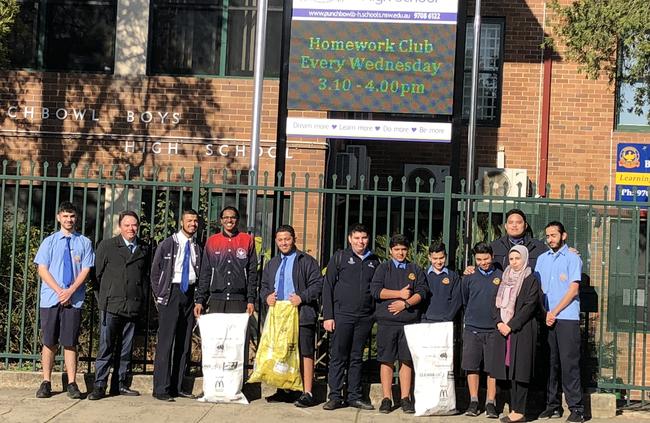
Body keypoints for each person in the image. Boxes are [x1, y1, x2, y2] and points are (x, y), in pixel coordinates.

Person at [34, 202, 95, 399]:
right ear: (59, 217)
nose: (69, 220)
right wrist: (60, 290)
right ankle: (46, 382)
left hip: (73, 300)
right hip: (51, 298)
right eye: (65, 216)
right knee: (49, 341)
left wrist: (71, 291)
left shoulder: (84, 243)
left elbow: (86, 269)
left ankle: (71, 382)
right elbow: (42, 269)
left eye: (72, 216)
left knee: (70, 342)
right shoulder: (49, 242)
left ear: (76, 218)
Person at [88, 211, 151, 400]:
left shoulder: (144, 248)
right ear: (119, 227)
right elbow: (96, 275)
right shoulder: (107, 246)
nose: (131, 229)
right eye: (127, 225)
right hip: (111, 305)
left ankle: (120, 384)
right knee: (106, 347)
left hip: (132, 305)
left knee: (126, 348)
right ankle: (99, 385)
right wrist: (105, 296)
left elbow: (145, 276)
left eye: (134, 225)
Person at [260, 224, 323, 408]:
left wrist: (302, 297)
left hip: (301, 314)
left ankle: (308, 392)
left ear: (294, 239)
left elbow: (318, 284)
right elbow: (264, 286)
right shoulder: (272, 263)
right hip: (278, 317)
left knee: (305, 352)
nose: (284, 243)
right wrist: (267, 296)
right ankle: (284, 389)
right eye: (280, 240)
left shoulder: (307, 261)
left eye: (287, 239)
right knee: (282, 353)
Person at [322, 223, 380, 411]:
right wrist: (328, 316)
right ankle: (335, 396)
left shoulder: (374, 260)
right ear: (349, 239)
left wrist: (373, 315)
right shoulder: (340, 258)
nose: (360, 242)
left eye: (363, 238)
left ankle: (354, 396)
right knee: (338, 356)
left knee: (356, 358)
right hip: (341, 316)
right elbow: (327, 287)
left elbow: (377, 289)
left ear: (368, 239)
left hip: (364, 318)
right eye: (356, 238)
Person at [370, 234, 428, 414]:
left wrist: (406, 303)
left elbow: (422, 292)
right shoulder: (383, 268)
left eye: (403, 249)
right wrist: (399, 294)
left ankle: (405, 398)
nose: (400, 252)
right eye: (397, 249)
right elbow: (375, 291)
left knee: (406, 361)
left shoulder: (415, 269)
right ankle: (387, 398)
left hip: (409, 323)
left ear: (408, 250)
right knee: (386, 360)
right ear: (390, 251)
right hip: (387, 323)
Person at [151, 209, 202, 401]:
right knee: (166, 342)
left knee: (184, 341)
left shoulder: (197, 246)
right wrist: (161, 295)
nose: (193, 224)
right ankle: (161, 388)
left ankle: (177, 386)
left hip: (189, 294)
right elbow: (155, 273)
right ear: (182, 222)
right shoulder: (167, 244)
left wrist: (198, 298)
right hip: (171, 293)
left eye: (195, 221)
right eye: (189, 221)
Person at [535, 222, 584, 423]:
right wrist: (545, 312)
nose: (550, 239)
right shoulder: (541, 259)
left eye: (554, 235)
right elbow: (537, 288)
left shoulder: (573, 258)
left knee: (569, 364)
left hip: (566, 318)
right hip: (547, 317)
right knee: (549, 363)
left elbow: (573, 290)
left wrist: (554, 311)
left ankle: (576, 408)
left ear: (563, 235)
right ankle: (552, 405)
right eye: (547, 236)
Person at [487, 246, 542, 423]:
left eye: (518, 258)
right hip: (504, 330)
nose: (514, 262)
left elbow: (530, 305)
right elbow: (495, 302)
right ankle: (514, 409)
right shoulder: (505, 277)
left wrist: (511, 325)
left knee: (521, 372)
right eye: (511, 259)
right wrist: (499, 322)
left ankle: (520, 411)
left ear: (524, 259)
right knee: (510, 371)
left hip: (522, 330)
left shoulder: (530, 279)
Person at [461, 242, 502, 418]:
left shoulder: (502, 276)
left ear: (492, 257)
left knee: (492, 368)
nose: (483, 262)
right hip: (472, 328)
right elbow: (464, 300)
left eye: (486, 258)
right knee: (472, 366)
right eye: (479, 259)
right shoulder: (468, 277)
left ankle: (490, 402)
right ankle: (474, 401)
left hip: (494, 329)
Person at [194, 206, 256, 316]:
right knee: (216, 334)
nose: (229, 220)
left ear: (237, 220)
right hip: (216, 300)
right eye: (226, 217)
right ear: (221, 220)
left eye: (233, 217)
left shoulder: (247, 240)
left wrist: (251, 299)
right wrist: (200, 300)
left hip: (239, 300)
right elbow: (205, 272)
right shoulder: (212, 241)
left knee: (238, 334)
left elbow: (252, 272)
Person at [465, 209, 548, 273]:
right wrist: (473, 269)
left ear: (525, 226)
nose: (514, 225)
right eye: (511, 222)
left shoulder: (539, 247)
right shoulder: (494, 247)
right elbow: (485, 267)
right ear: (505, 226)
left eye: (518, 222)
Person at [421, 241, 462, 323]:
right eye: (435, 258)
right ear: (429, 257)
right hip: (426, 321)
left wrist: (448, 318)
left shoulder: (453, 276)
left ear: (445, 256)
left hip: (446, 322)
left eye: (441, 258)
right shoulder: (423, 275)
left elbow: (457, 300)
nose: (439, 262)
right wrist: (423, 317)